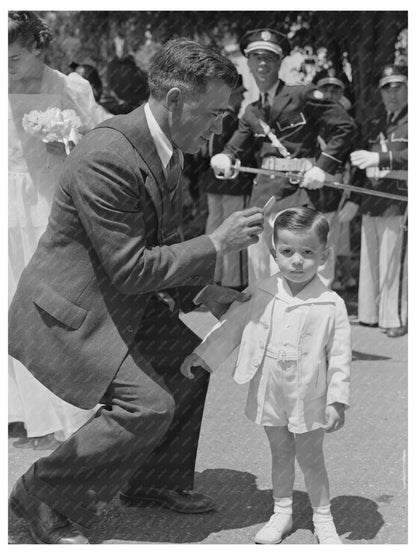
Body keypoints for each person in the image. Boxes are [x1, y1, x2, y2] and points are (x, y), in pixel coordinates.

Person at [8, 37, 265, 544]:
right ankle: (41, 491)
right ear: (174, 100)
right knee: (149, 404)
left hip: (115, 299)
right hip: (70, 314)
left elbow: (162, 242)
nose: (219, 128)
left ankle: (151, 483)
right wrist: (215, 243)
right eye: (213, 113)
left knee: (189, 367)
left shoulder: (166, 147)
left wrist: (204, 293)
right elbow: (130, 269)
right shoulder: (107, 154)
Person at [181, 207, 351, 544]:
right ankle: (282, 512)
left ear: (324, 255)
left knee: (310, 456)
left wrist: (337, 401)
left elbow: (341, 357)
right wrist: (201, 356)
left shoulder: (331, 303)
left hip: (310, 393)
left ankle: (323, 517)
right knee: (279, 451)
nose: (297, 261)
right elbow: (232, 326)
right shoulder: (262, 289)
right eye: (287, 252)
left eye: (307, 252)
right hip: (270, 387)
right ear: (274, 253)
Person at [8, 11, 100, 450]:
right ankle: (19, 413)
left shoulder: (70, 86)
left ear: (39, 47)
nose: (6, 64)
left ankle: (64, 409)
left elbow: (100, 143)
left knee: (48, 305)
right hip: (5, 206)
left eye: (16, 55)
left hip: (49, 203)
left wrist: (68, 142)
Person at [211, 29, 357, 286]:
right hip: (263, 200)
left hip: (296, 197)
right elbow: (235, 147)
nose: (263, 63)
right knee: (261, 276)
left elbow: (345, 127)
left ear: (280, 62)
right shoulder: (252, 112)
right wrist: (223, 157)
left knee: (295, 277)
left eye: (269, 57)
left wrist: (323, 167)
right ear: (249, 62)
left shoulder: (301, 95)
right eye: (256, 57)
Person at [350, 64, 408, 338]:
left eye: (398, 88)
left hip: (399, 196)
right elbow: (362, 166)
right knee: (371, 259)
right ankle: (370, 314)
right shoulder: (376, 122)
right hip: (373, 199)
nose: (392, 95)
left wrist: (381, 158)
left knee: (394, 259)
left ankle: (395, 316)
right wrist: (354, 198)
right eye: (387, 89)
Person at [204, 74, 255, 289]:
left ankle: (213, 276)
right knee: (235, 231)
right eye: (239, 93)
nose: (242, 98)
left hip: (214, 182)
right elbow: (242, 151)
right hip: (234, 183)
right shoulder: (232, 120)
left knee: (214, 230)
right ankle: (233, 280)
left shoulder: (216, 117)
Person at [313, 67, 359, 292]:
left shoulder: (348, 123)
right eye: (325, 88)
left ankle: (324, 293)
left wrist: (352, 195)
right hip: (307, 189)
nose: (330, 94)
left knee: (329, 245)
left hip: (336, 190)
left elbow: (355, 163)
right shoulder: (309, 118)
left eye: (335, 89)